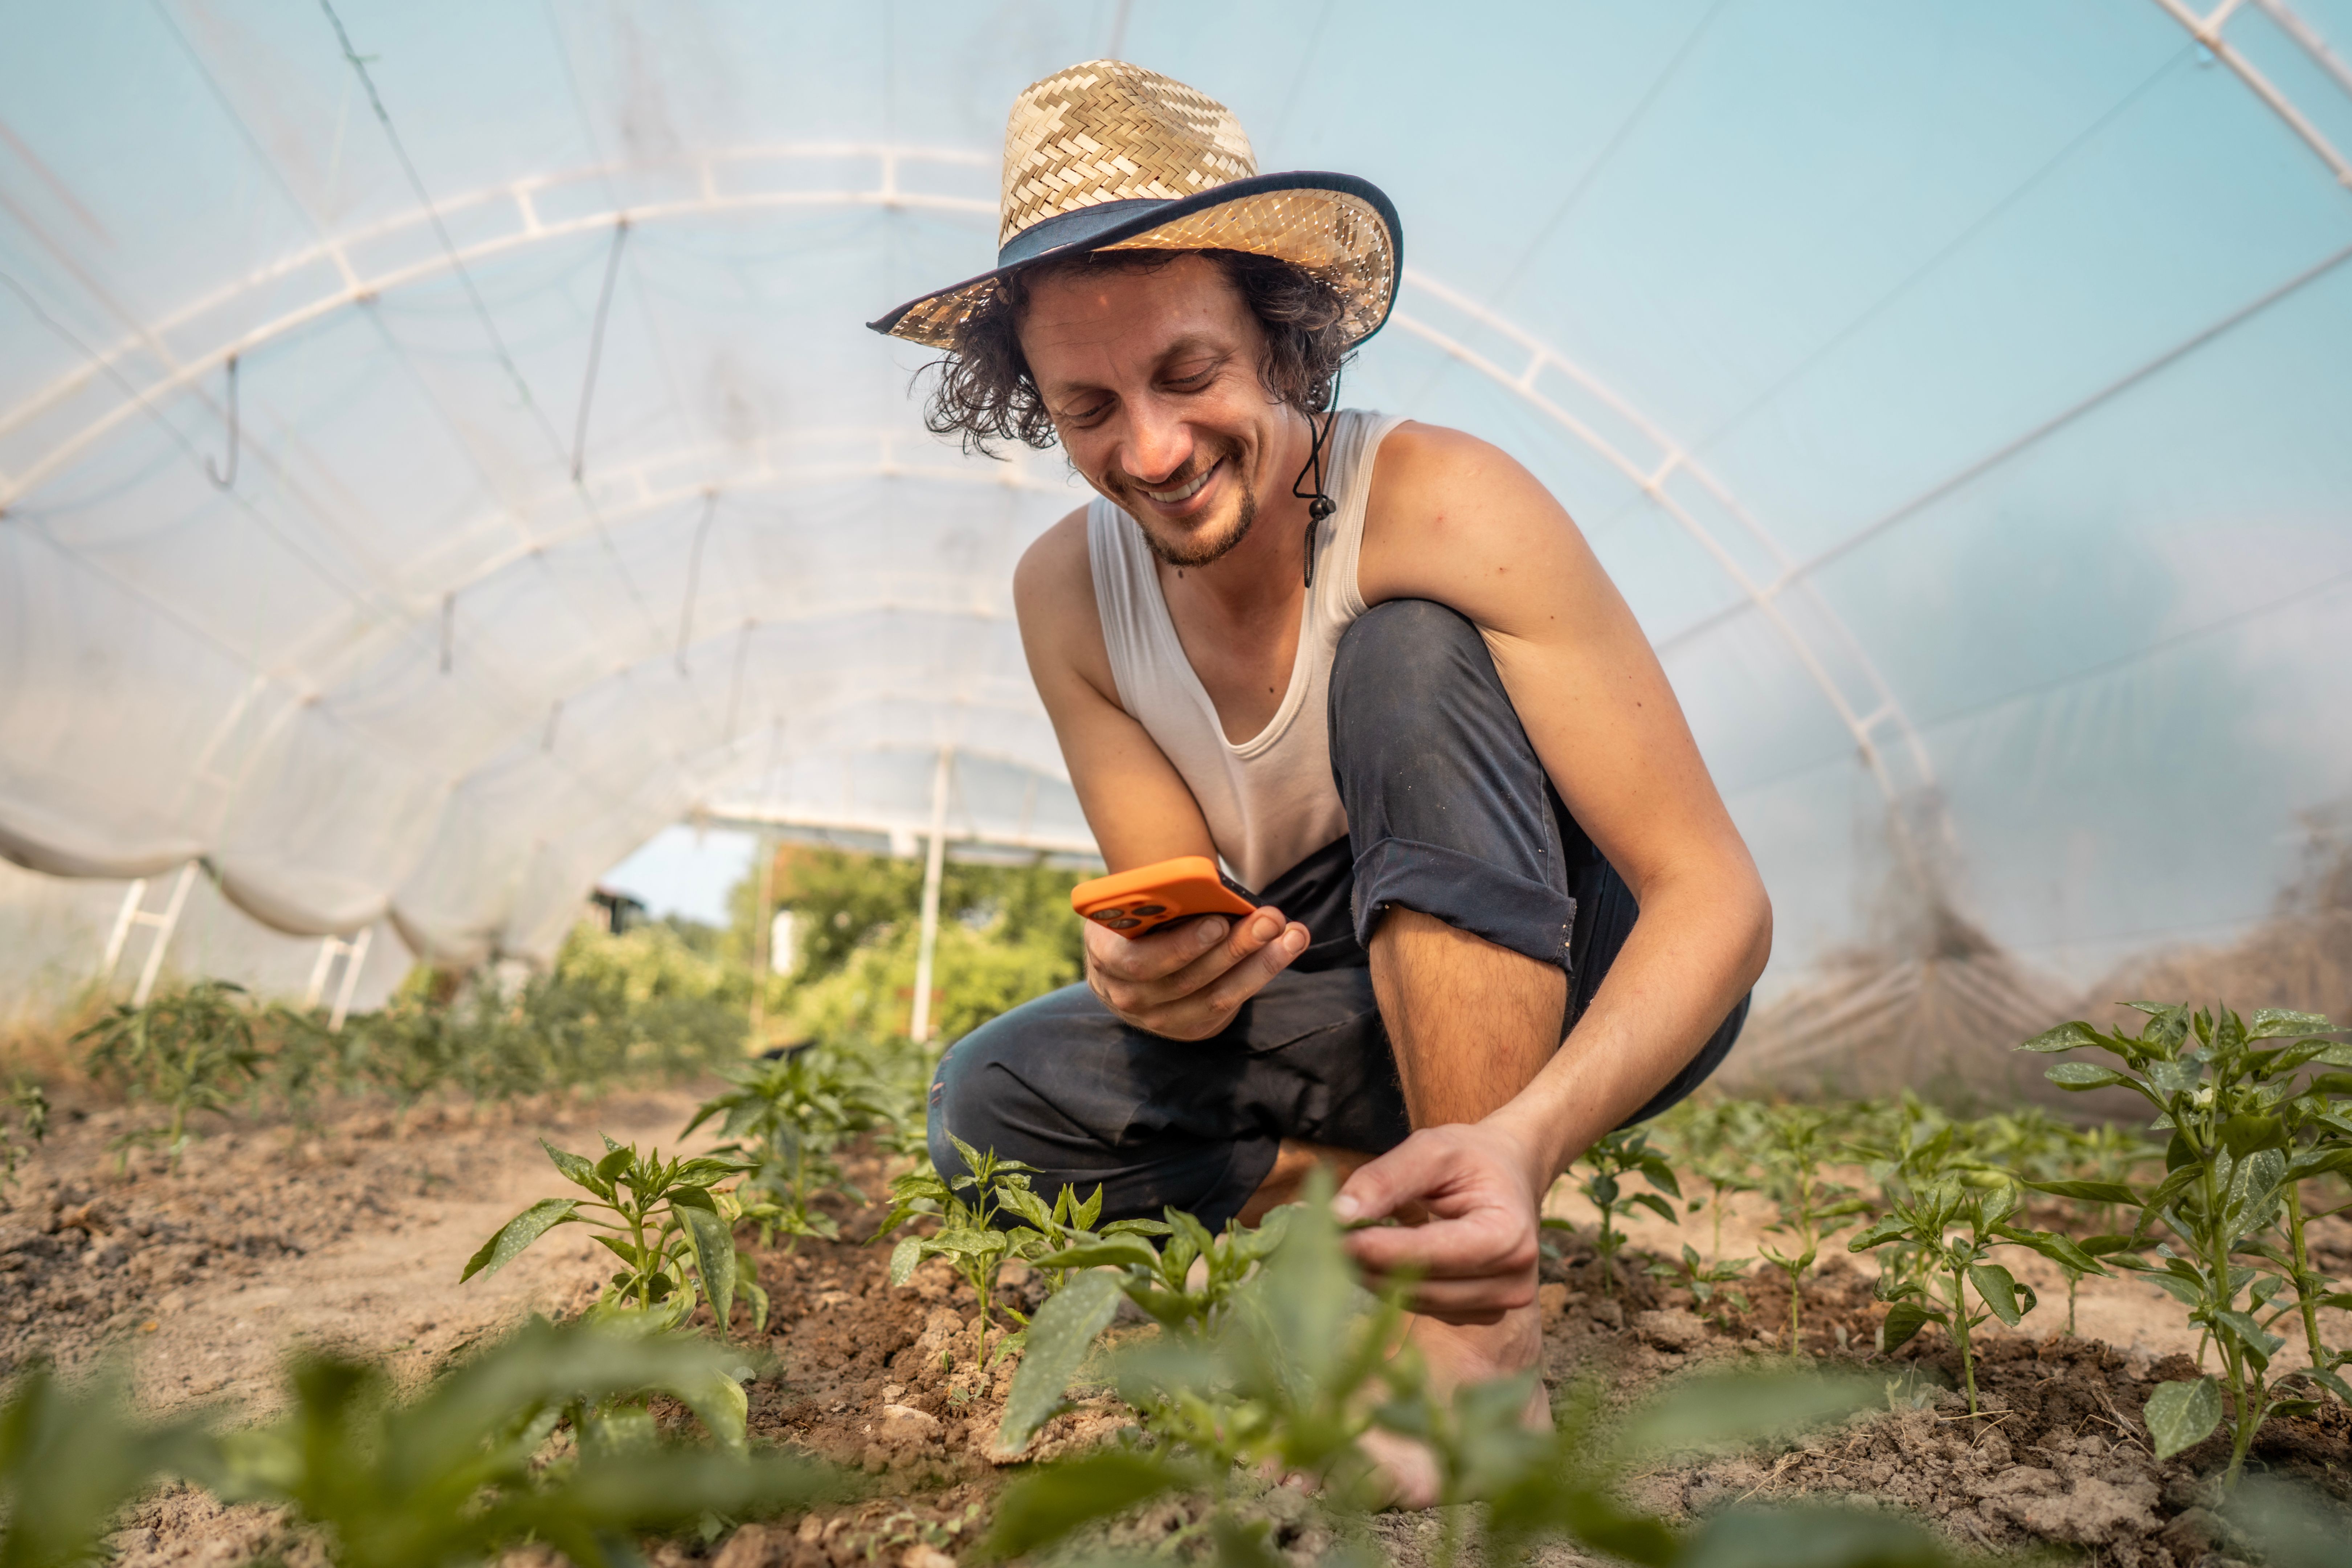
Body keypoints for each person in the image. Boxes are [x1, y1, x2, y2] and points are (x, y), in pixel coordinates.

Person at [868, 60, 1769, 1498]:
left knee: (1405, 655)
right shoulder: (1068, 597)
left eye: (1188, 375)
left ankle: (1475, 1344)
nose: (1152, 451)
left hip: (1571, 964)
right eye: (1088, 405)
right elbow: (1203, 930)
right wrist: (1151, 971)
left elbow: (1716, 900)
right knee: (992, 1099)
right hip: (1347, 1000)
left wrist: (1530, 1137)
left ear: (1286, 344)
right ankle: (1399, 1210)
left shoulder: (1444, 503)